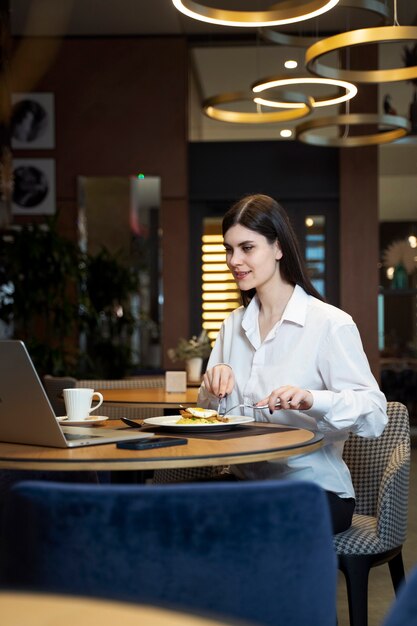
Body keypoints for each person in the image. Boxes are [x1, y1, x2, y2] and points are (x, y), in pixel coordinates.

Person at [198, 193, 387, 533]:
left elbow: (375, 414)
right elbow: (204, 413)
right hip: (246, 482)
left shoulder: (330, 324)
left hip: (314, 489)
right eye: (228, 249)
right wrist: (212, 386)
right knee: (164, 511)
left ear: (278, 248)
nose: (233, 260)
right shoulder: (231, 326)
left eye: (247, 248)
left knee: (241, 526)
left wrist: (314, 399)